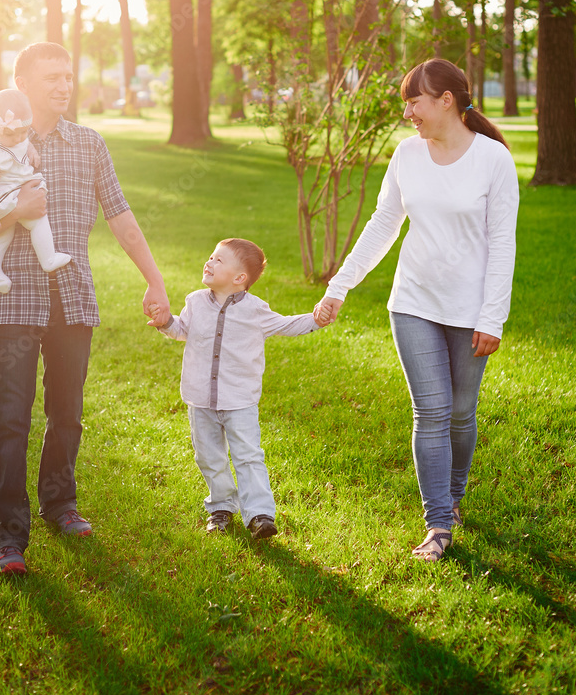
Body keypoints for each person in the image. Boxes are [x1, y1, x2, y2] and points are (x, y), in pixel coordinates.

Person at [0, 42, 170, 576]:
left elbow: (121, 217)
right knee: (9, 421)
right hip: (13, 304)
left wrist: (155, 281)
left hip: (73, 301)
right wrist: (15, 213)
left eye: (68, 75)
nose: (62, 85)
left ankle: (60, 504)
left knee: (67, 415)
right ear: (21, 86)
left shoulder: (89, 144)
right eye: (51, 76)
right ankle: (8, 535)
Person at [314, 59, 519, 562]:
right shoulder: (407, 155)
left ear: (446, 99)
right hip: (414, 302)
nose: (408, 112)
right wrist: (339, 286)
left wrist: (492, 318)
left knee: (460, 413)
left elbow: (502, 243)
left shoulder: (493, 159)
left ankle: (455, 493)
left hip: (470, 310)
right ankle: (439, 523)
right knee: (430, 411)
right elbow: (383, 224)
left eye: (415, 101)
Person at [149, 238, 327, 540]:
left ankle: (260, 514)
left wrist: (316, 319)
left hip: (239, 400)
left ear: (239, 278)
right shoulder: (194, 302)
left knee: (248, 455)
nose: (209, 262)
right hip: (200, 397)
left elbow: (285, 325)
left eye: (219, 260)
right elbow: (183, 331)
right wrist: (167, 322)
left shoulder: (255, 311)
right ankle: (221, 506)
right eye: (210, 257)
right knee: (208, 456)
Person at [0, 88, 71, 293]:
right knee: (38, 221)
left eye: (24, 132)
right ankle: (48, 258)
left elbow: (22, 142)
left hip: (5, 197)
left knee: (2, 235)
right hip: (1, 199)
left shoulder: (10, 137)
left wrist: (31, 149)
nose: (18, 138)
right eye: (12, 133)